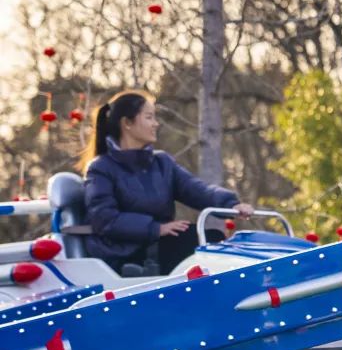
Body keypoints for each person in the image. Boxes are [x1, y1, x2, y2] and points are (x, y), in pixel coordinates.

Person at [81, 90, 253, 275]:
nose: (156, 124)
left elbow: (196, 189)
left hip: (160, 245)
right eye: (149, 117)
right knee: (196, 242)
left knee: (213, 237)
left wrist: (231, 204)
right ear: (127, 123)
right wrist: (155, 229)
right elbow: (104, 219)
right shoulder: (100, 168)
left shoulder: (162, 162)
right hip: (126, 252)